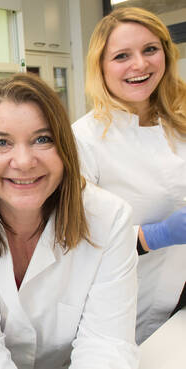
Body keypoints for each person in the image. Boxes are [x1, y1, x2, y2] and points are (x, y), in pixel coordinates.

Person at [0, 73, 139, 369]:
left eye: (42, 139)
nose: (24, 161)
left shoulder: (109, 219)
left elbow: (105, 345)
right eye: (1, 142)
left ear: (65, 149)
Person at [72, 7, 186, 343]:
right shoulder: (84, 138)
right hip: (121, 306)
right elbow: (75, 238)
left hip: (179, 297)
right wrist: (155, 235)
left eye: (150, 49)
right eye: (122, 56)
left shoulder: (180, 125)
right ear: (101, 68)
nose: (140, 64)